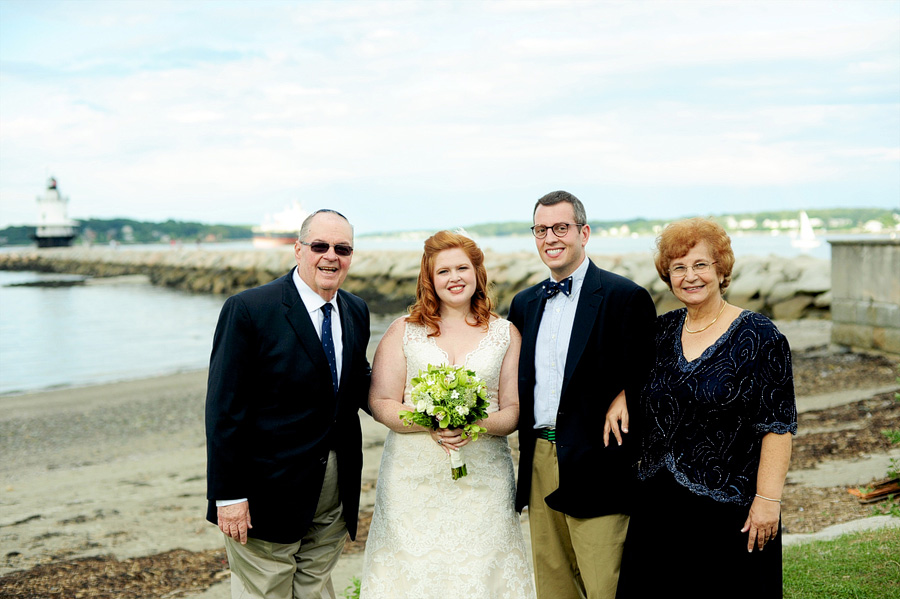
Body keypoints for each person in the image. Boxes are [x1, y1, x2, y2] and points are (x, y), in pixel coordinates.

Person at [614, 217, 796, 599]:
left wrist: (767, 501)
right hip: (658, 507)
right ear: (668, 276)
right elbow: (635, 378)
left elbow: (777, 426)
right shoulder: (661, 332)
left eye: (700, 265)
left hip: (726, 510)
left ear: (721, 270)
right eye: (678, 268)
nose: (690, 276)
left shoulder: (760, 336)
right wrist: (620, 397)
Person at [205, 209, 371, 599]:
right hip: (266, 489)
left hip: (334, 486)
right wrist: (228, 496)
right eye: (320, 246)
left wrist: (420, 409)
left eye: (343, 248)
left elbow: (358, 383)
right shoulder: (249, 309)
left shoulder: (355, 310)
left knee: (314, 589)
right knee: (265, 591)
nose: (331, 256)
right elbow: (223, 410)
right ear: (298, 250)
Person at [361, 230, 535, 599]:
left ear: (477, 273)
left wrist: (476, 424)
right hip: (412, 478)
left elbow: (514, 411)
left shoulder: (505, 334)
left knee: (481, 575)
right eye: (444, 271)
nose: (454, 278)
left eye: (462, 268)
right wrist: (430, 423)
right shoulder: (404, 331)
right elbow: (381, 401)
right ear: (430, 278)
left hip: (484, 481)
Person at [507, 191, 657, 599]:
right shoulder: (523, 304)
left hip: (599, 460)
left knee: (604, 582)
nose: (551, 238)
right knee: (553, 584)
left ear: (583, 232)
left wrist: (629, 392)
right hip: (539, 458)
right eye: (542, 230)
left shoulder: (625, 297)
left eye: (561, 228)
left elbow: (653, 372)